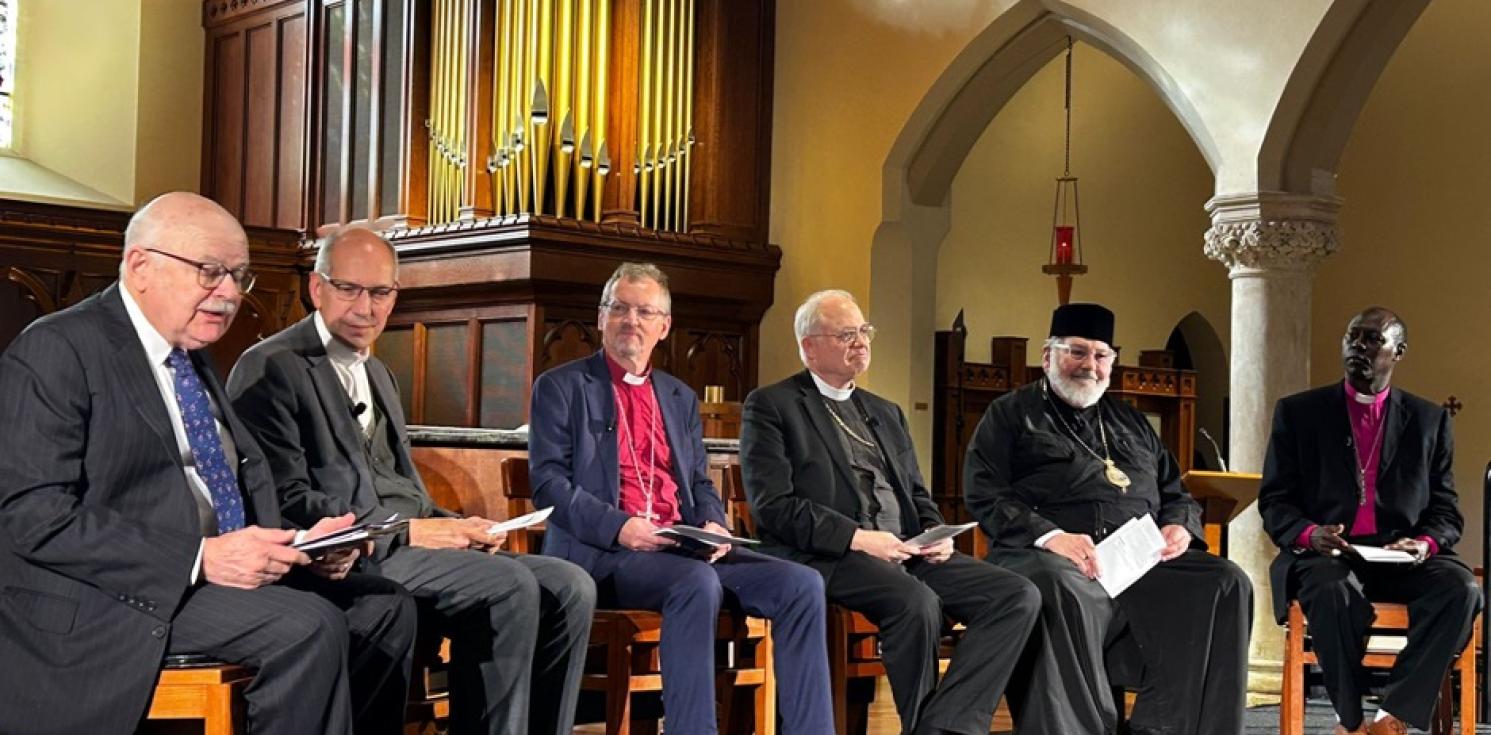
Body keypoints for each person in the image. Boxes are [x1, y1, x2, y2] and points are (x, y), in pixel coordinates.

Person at [0, 193, 416, 735]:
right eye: (210, 272)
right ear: (140, 266)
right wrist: (197, 559)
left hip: (212, 575)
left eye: (238, 276)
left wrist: (299, 545)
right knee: (305, 626)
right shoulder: (58, 349)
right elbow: (33, 516)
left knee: (386, 607)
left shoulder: (193, 353)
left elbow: (229, 491)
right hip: (113, 593)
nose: (228, 294)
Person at [228, 225, 596, 735]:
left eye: (381, 293)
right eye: (349, 289)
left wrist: (458, 525)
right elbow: (285, 501)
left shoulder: (380, 373)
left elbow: (401, 486)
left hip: (410, 541)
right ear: (316, 289)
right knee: (508, 585)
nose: (366, 308)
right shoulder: (270, 367)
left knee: (570, 584)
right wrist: (407, 532)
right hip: (354, 554)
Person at [527, 262, 834, 735]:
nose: (632, 321)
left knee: (802, 584)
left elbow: (698, 481)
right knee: (696, 583)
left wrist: (713, 524)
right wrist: (620, 527)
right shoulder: (562, 387)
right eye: (620, 309)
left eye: (645, 311)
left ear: (664, 327)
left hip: (679, 544)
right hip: (603, 552)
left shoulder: (678, 396)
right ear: (601, 317)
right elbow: (548, 483)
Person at [740, 289, 1040, 735]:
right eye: (846, 334)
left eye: (863, 331)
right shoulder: (773, 406)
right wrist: (857, 538)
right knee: (915, 603)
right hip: (831, 556)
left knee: (1018, 596)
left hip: (905, 551)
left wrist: (934, 532)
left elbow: (916, 492)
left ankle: (941, 726)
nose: (860, 341)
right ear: (809, 346)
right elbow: (774, 507)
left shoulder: (886, 411)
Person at [963, 302, 1251, 735]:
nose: (1089, 366)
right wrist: (1051, 535)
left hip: (1134, 562)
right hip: (1047, 557)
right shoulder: (1010, 414)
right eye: (1077, 352)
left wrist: (1179, 526)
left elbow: (1176, 492)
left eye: (1101, 356)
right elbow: (983, 492)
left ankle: (1167, 728)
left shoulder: (1131, 422)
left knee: (1225, 581)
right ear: (1048, 356)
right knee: (1060, 587)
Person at [1259, 306, 1480, 735]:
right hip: (1330, 554)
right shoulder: (1300, 413)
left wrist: (1424, 544)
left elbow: (1446, 510)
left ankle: (1391, 715)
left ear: (1398, 352)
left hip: (1400, 554)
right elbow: (1275, 501)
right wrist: (1310, 533)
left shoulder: (1428, 420)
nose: (1358, 346)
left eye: (1372, 339)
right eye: (1352, 336)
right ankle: (1351, 718)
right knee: (1329, 587)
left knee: (1461, 589)